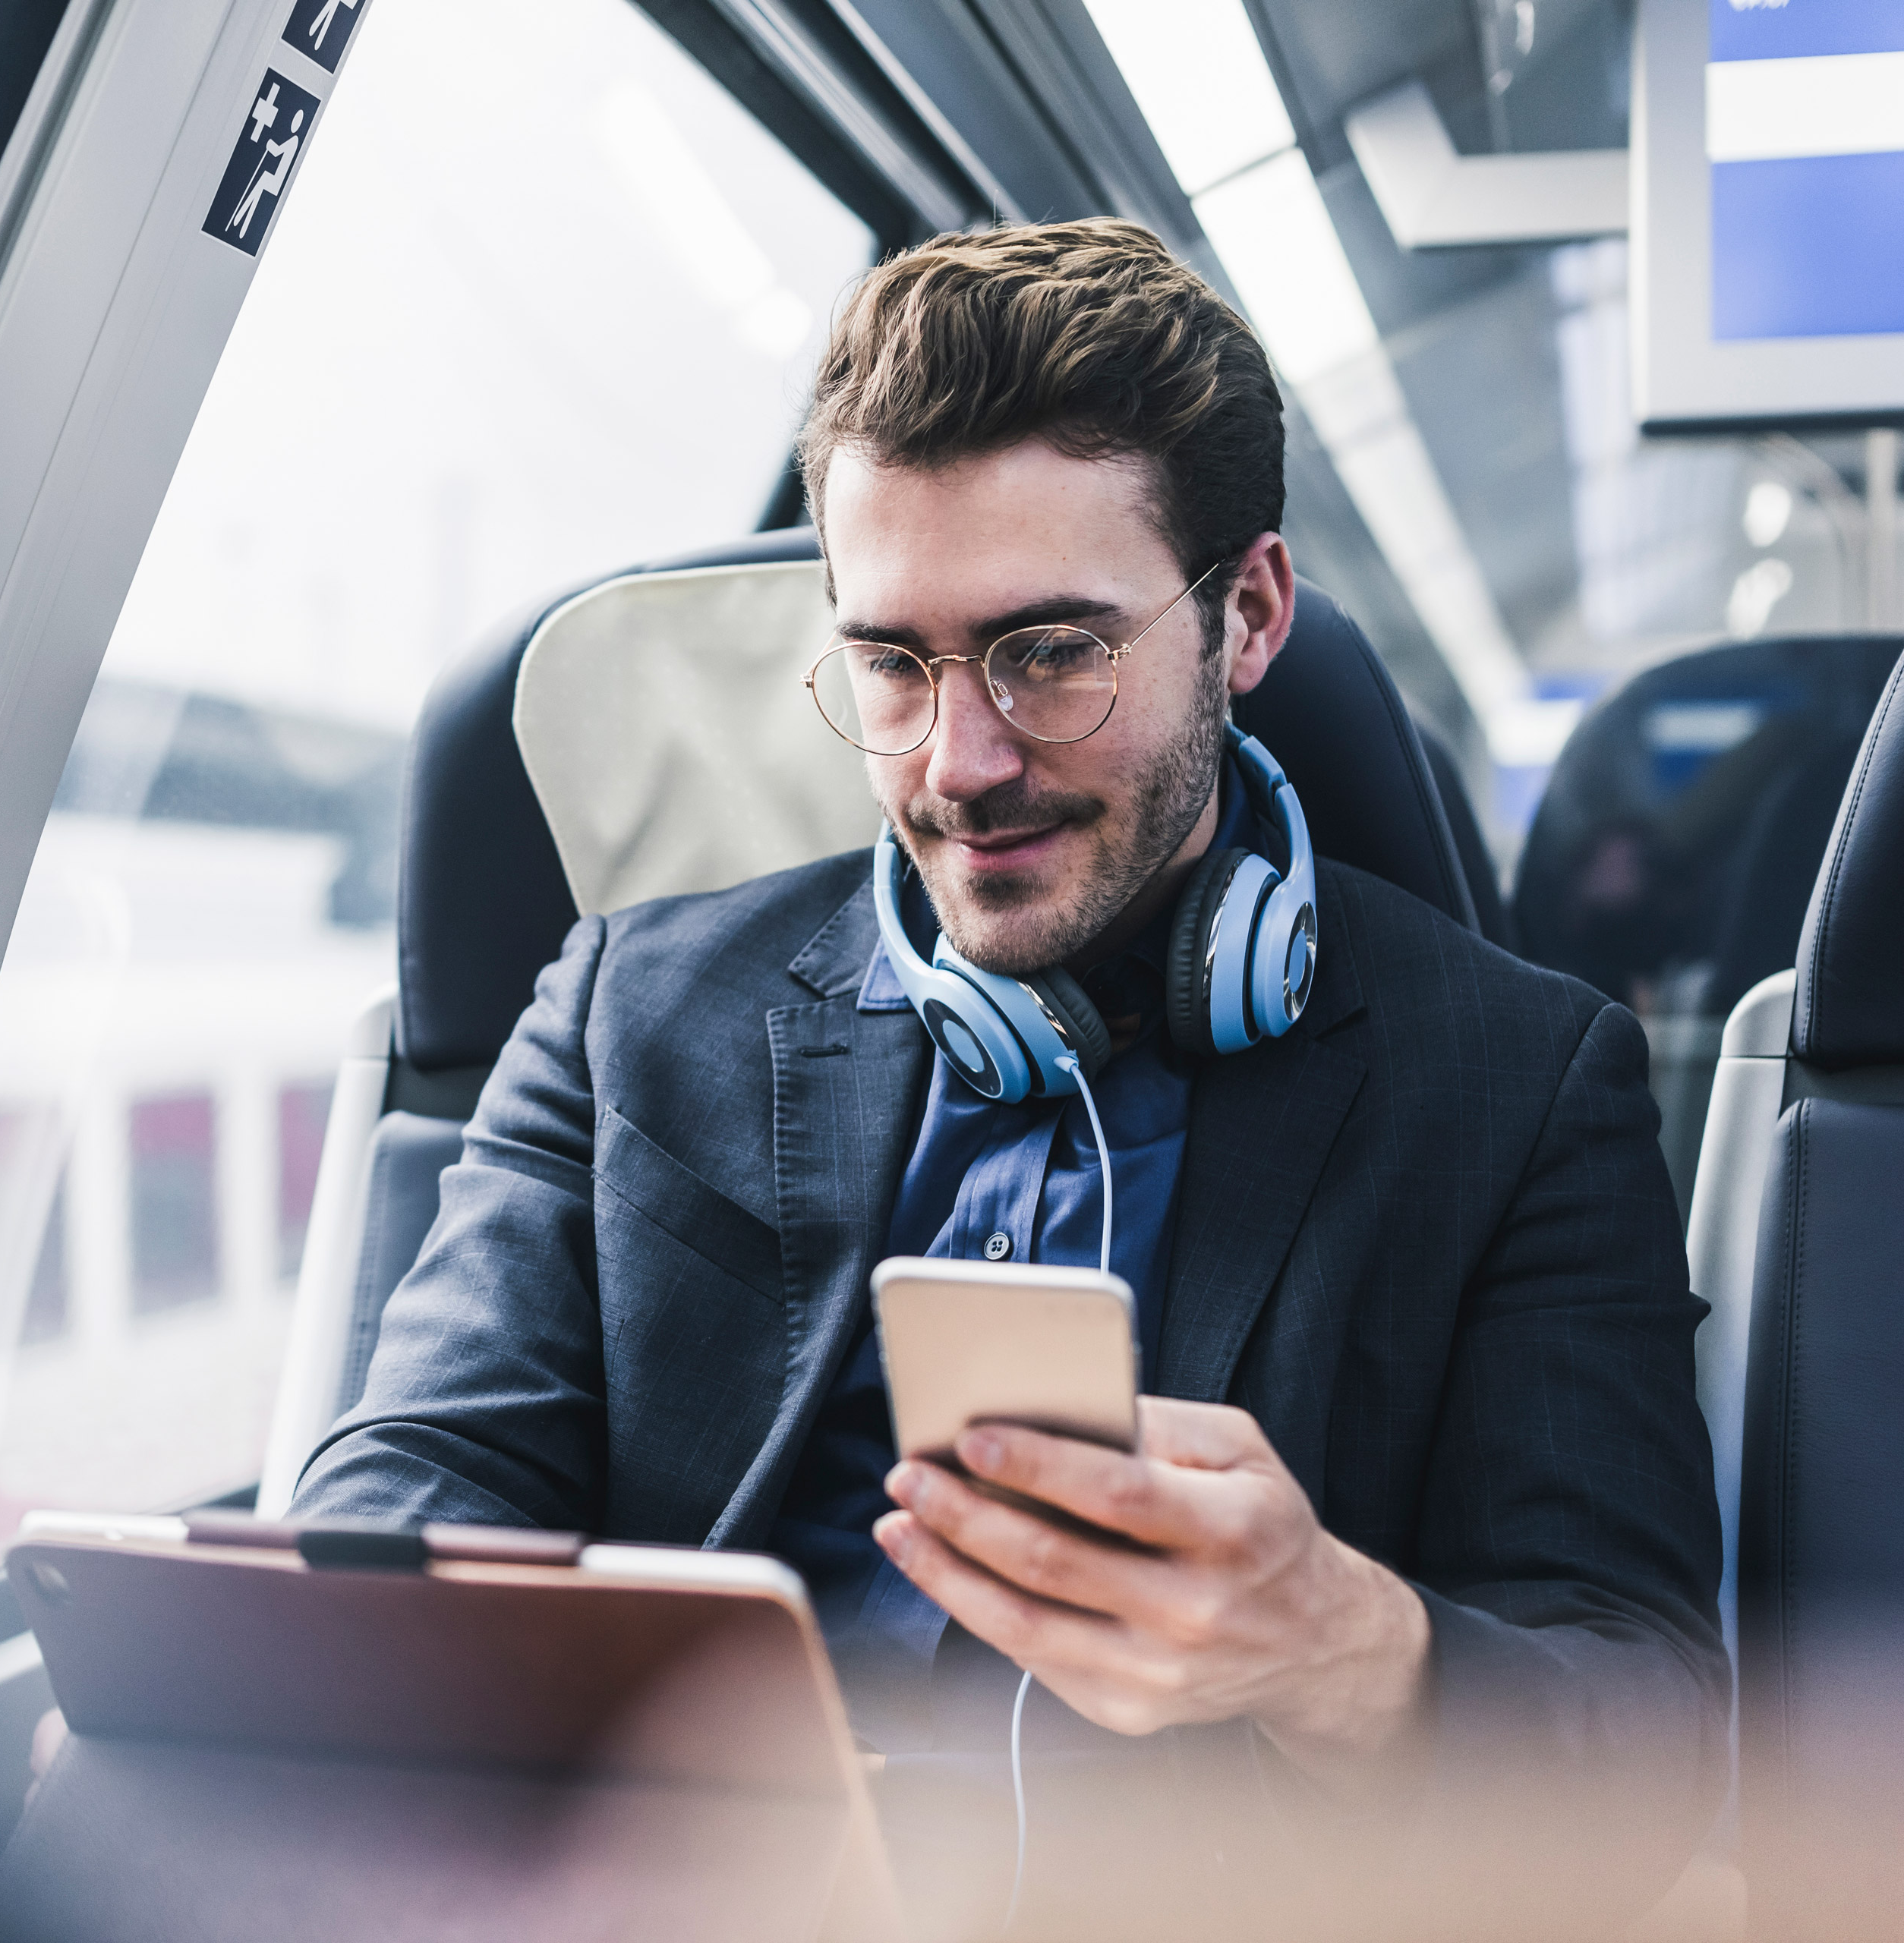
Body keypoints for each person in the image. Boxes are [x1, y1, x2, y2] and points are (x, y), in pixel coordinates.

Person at [291, 221, 1724, 1937]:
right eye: (893, 664)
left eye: (1052, 651)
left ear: (1246, 612)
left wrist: (1345, 1640)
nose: (960, 766)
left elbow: (1646, 1747)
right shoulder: (630, 1011)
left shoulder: (1514, 1080)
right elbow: (402, 1496)